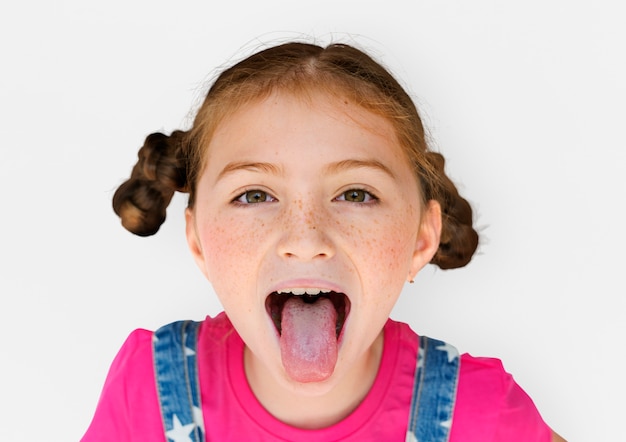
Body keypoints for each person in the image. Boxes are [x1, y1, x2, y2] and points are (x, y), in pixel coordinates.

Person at [82, 41, 565, 441]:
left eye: (356, 193)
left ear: (421, 239)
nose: (306, 239)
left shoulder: (482, 416)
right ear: (198, 241)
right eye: (254, 194)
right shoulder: (146, 392)